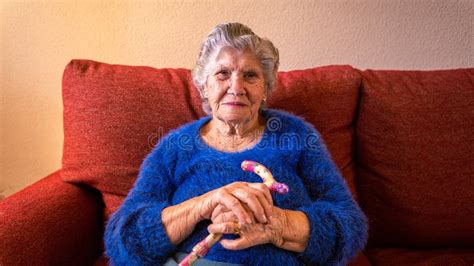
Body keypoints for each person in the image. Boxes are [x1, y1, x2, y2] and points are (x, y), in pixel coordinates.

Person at [104, 22, 368, 265]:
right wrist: (202, 205)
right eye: (222, 73)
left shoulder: (296, 136)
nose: (236, 87)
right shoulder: (175, 147)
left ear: (265, 89)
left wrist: (276, 224)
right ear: (204, 86)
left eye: (250, 75)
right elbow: (122, 242)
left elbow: (350, 225)